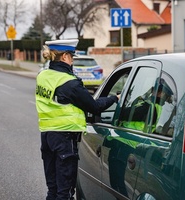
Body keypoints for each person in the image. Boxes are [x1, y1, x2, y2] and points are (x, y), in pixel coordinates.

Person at [35, 39, 119, 200]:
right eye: (72, 56)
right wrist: (114, 99)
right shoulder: (69, 83)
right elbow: (93, 106)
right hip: (64, 140)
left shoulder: (42, 76)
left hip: (46, 137)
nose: (73, 60)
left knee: (53, 190)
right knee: (64, 192)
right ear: (65, 57)